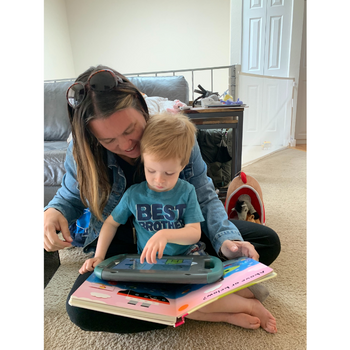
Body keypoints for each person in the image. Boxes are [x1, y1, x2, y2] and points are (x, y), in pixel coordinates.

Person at [44, 65, 281, 333]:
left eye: (131, 129)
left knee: (263, 242)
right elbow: (69, 196)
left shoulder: (175, 136)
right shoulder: (81, 149)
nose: (126, 145)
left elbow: (203, 193)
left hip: (182, 242)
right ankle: (203, 302)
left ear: (142, 107)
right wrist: (54, 210)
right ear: (93, 137)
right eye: (108, 140)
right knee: (83, 312)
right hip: (121, 252)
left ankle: (167, 301)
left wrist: (227, 239)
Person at [78, 112, 277, 333]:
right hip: (153, 265)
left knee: (193, 297)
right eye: (151, 170)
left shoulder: (186, 191)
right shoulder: (134, 194)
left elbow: (194, 233)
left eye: (169, 172)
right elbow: (110, 223)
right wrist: (99, 256)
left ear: (183, 166)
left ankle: (250, 304)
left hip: (188, 258)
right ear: (143, 158)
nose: (158, 180)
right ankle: (230, 314)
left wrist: (166, 235)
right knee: (180, 306)